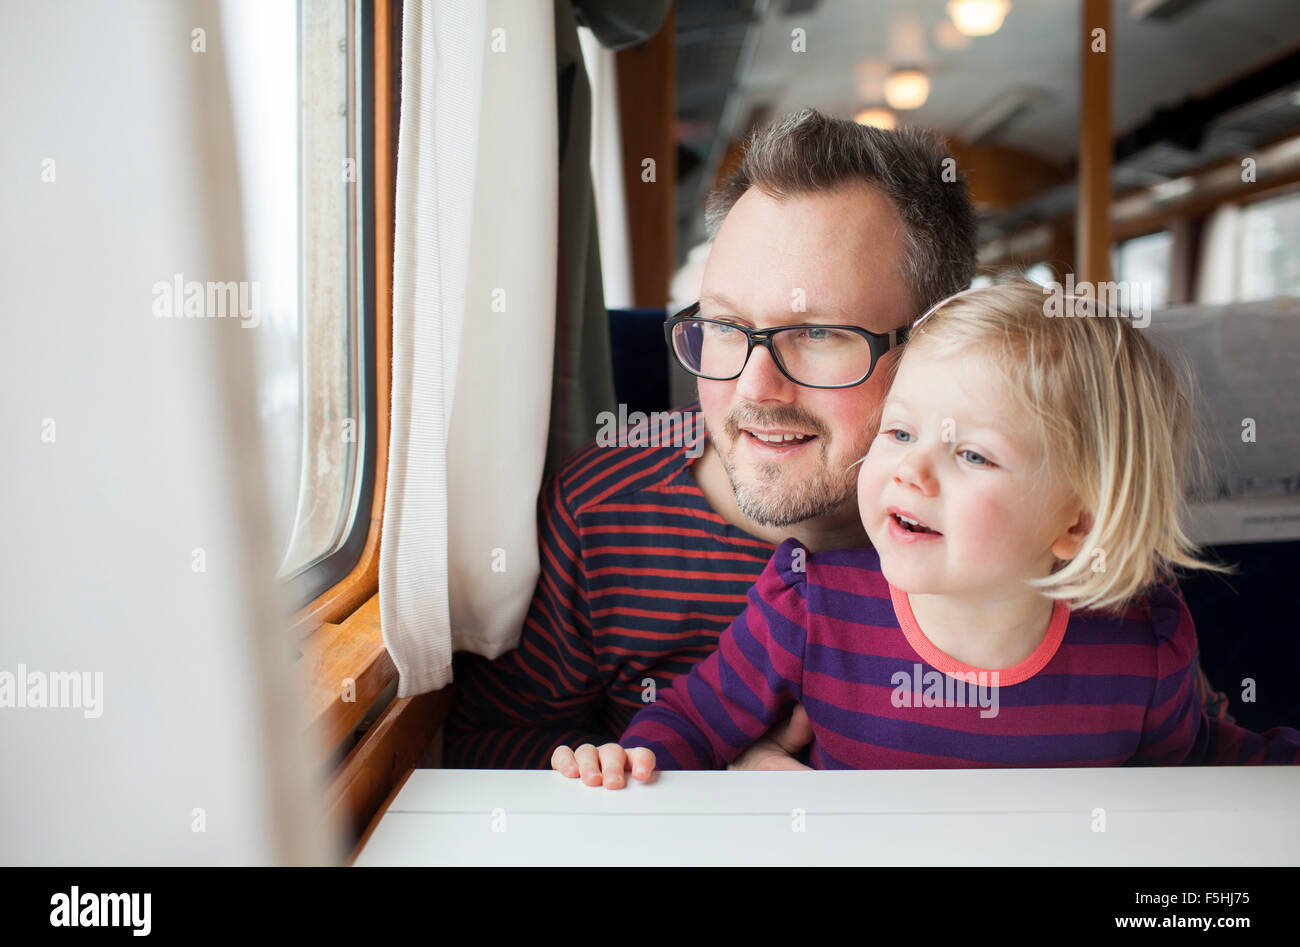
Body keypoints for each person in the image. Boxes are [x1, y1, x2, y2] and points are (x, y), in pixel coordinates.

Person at [444, 108, 1233, 773]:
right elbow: (484, 745)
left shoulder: (1050, 538)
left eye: (819, 333)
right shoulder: (601, 510)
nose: (754, 389)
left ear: (939, 342)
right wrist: (698, 776)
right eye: (724, 327)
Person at [556, 281, 1300, 781]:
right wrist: (631, 764)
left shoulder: (1142, 644)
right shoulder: (808, 604)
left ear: (1075, 522)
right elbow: (690, 722)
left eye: (971, 453)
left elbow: (1200, 770)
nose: (913, 473)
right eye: (901, 431)